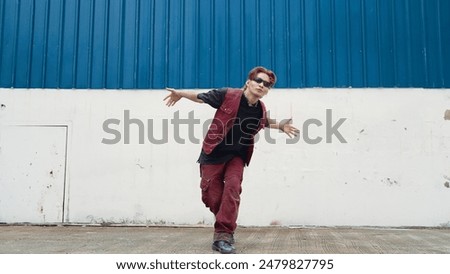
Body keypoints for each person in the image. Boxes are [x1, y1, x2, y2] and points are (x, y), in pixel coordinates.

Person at [163, 66, 299, 254]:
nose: (262, 85)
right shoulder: (227, 95)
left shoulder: (260, 109)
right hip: (213, 153)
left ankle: (224, 235)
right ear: (248, 82)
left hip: (237, 155)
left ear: (268, 91)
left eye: (266, 85)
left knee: (233, 188)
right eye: (258, 81)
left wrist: (281, 126)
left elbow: (264, 122)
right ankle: (224, 224)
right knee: (211, 196)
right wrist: (180, 94)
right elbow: (201, 97)